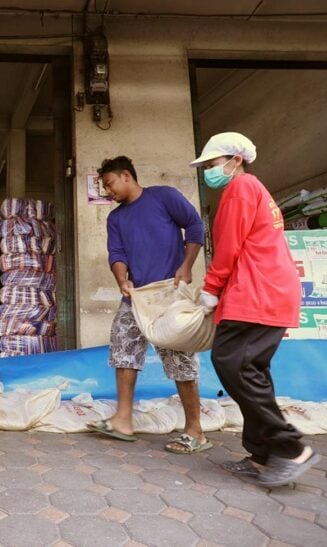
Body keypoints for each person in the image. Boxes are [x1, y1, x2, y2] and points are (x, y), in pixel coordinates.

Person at [190, 132, 319, 487]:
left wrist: (211, 288)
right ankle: (262, 456)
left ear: (235, 160)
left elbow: (229, 246)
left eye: (212, 164)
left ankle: (289, 447)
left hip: (257, 293)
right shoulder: (254, 189)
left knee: (232, 363)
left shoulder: (241, 188)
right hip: (268, 291)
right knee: (252, 371)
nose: (208, 173)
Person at [89, 155, 211, 454]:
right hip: (136, 296)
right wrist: (122, 280)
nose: (108, 192)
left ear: (126, 176)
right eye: (105, 187)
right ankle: (123, 420)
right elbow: (116, 254)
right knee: (123, 348)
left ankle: (195, 430)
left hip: (170, 291)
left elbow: (195, 226)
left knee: (179, 359)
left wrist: (186, 265)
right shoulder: (115, 218)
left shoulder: (163, 197)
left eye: (110, 184)